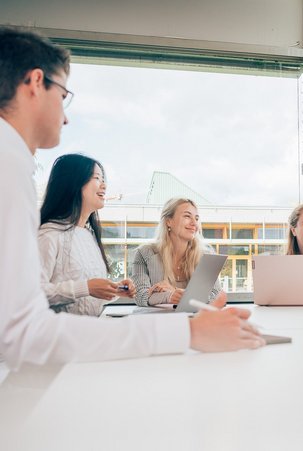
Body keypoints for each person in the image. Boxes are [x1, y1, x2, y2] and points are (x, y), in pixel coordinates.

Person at [0, 27, 264, 369]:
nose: (65, 116)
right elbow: (22, 333)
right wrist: (187, 334)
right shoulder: (8, 167)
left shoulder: (15, 166)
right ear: (36, 82)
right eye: (63, 95)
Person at [38, 154, 135, 316]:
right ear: (73, 183)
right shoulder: (48, 235)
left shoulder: (88, 236)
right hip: (59, 336)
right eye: (97, 178)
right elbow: (31, 292)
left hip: (87, 331)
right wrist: (87, 287)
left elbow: (87, 297)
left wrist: (115, 290)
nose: (104, 185)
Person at [132, 198, 224, 307]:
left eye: (197, 218)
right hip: (159, 321)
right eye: (187, 216)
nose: (194, 223)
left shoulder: (207, 256)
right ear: (168, 221)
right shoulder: (144, 253)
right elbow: (141, 296)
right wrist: (169, 296)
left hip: (195, 320)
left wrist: (175, 291)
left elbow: (217, 297)